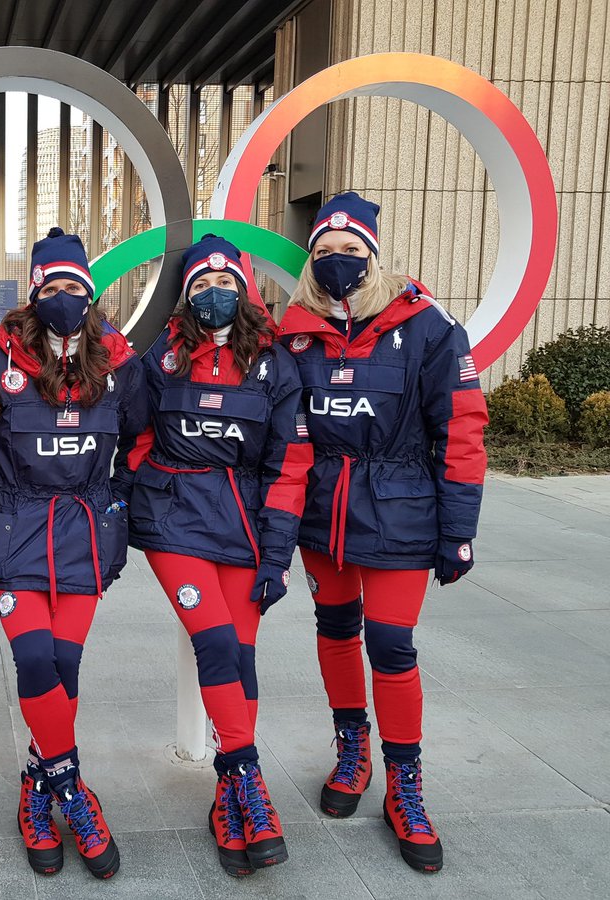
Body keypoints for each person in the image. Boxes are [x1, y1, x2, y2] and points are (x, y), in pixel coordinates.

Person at [278, 192, 488, 874]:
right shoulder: (297, 330)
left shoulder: (426, 327)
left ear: (374, 254)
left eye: (351, 251)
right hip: (323, 513)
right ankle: (352, 746)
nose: (339, 262)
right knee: (335, 627)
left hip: (401, 508)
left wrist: (458, 530)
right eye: (325, 252)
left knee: (391, 644)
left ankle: (406, 784)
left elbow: (461, 427)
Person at [0, 227, 147, 880]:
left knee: (63, 670)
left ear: (90, 296)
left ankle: (36, 791)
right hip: (16, 535)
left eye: (74, 287)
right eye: (51, 286)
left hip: (86, 538)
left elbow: (146, 441)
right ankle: (73, 788)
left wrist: (116, 504)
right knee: (34, 659)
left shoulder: (118, 366)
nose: (63, 297)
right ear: (33, 294)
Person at [121, 233, 311, 876]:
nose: (212, 294)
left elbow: (290, 466)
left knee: (242, 651)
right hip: (174, 523)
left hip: (246, 530)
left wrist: (276, 555)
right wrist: (154, 485)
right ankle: (248, 778)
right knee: (215, 641)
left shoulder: (276, 365)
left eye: (223, 282)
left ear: (245, 290)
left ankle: (230, 801)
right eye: (199, 284)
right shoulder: (163, 358)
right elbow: (134, 430)